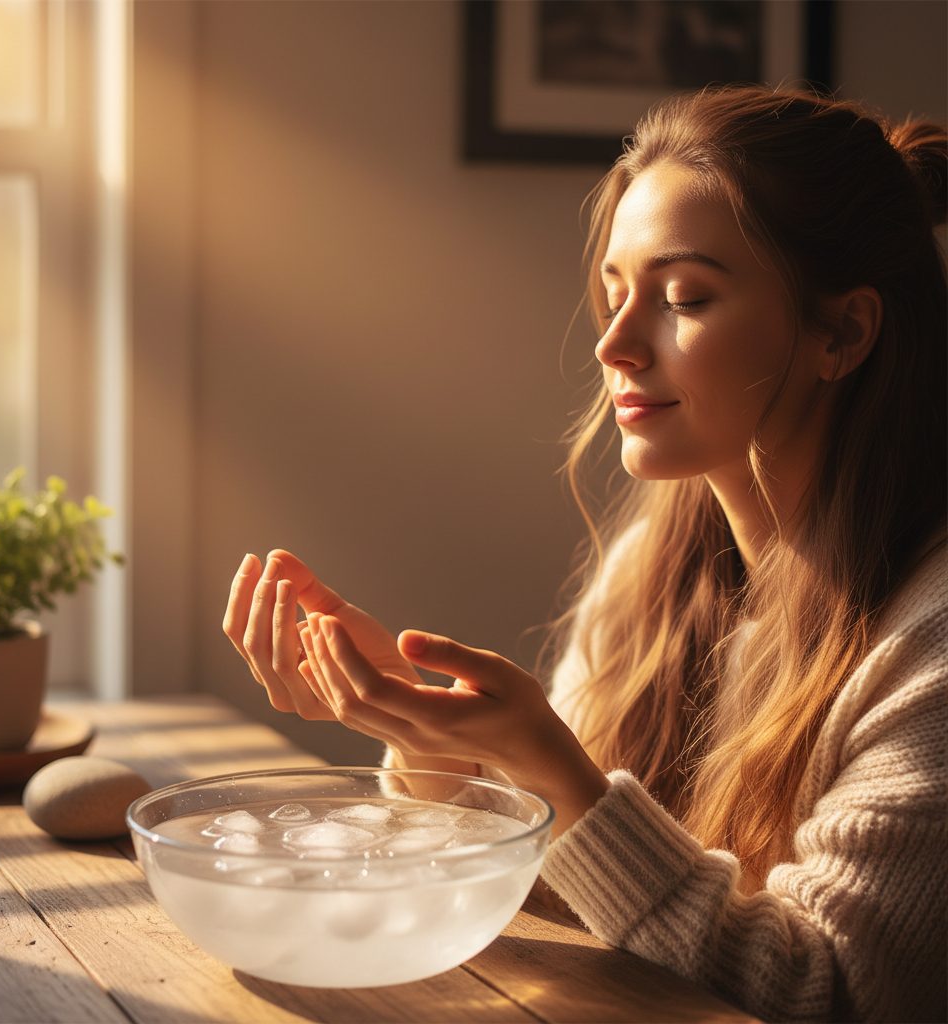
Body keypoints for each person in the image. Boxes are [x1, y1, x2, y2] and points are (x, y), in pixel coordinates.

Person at [222, 84, 947, 1022]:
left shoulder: (929, 650)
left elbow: (828, 993)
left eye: (684, 298)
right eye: (614, 294)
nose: (614, 345)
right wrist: (432, 741)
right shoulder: (656, 573)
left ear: (841, 332)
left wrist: (557, 773)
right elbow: (593, 896)